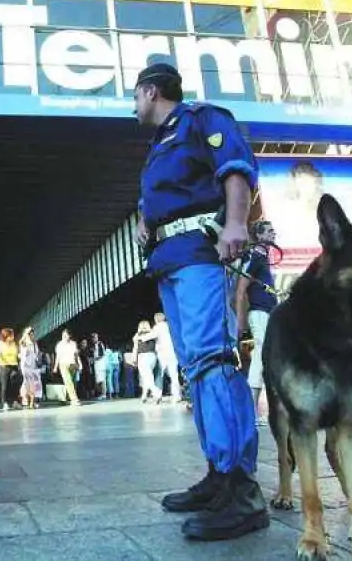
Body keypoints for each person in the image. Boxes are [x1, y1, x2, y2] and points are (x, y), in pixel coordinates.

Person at [133, 63, 267, 541]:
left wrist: (236, 223)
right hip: (170, 260)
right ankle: (217, 473)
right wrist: (147, 220)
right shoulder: (161, 142)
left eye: (136, 96)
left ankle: (241, 487)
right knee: (195, 367)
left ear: (150, 91)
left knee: (213, 360)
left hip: (198, 256)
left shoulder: (201, 118)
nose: (134, 106)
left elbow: (235, 168)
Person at [234, 220, 278, 423]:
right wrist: (241, 323)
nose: (273, 233)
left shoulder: (262, 257)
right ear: (259, 236)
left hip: (268, 312)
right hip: (259, 313)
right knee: (260, 357)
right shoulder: (255, 257)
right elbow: (241, 289)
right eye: (269, 231)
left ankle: (264, 409)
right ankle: (251, 411)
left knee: (267, 358)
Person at [53, 329, 81, 406]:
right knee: (68, 381)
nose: (64, 337)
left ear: (69, 336)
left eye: (66, 335)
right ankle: (74, 399)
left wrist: (79, 363)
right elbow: (58, 356)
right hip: (63, 364)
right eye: (63, 335)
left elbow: (76, 355)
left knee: (70, 382)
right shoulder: (59, 345)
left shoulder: (73, 343)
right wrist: (55, 367)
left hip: (72, 364)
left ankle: (63, 398)